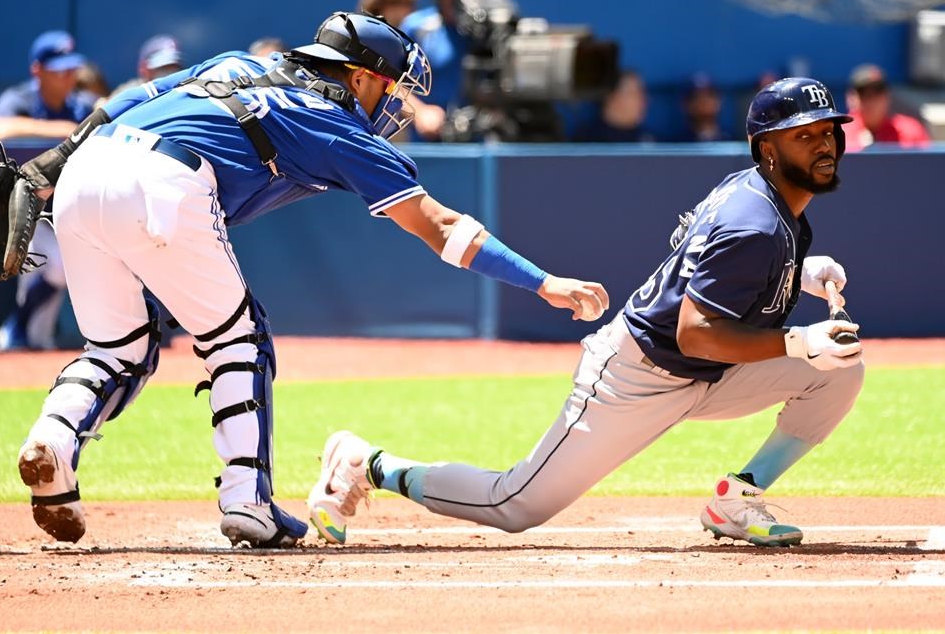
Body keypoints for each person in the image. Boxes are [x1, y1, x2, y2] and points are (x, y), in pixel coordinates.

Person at [13, 12, 608, 548]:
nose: (394, 102)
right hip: (166, 178)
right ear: (359, 77)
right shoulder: (337, 126)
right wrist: (543, 282)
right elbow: (442, 228)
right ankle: (247, 502)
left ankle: (54, 445)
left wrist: (50, 163)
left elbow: (131, 98)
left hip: (84, 171)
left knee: (117, 348)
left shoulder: (242, 62)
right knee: (238, 339)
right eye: (391, 85)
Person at [307, 77, 865, 549]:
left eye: (828, 131)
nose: (824, 144)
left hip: (708, 373)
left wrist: (798, 270)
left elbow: (703, 257)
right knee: (516, 504)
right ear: (768, 149)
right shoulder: (757, 222)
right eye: (804, 135)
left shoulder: (763, 199)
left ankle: (738, 499)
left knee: (840, 368)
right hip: (638, 375)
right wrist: (797, 341)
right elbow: (697, 334)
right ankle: (367, 464)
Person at [0, 31, 98, 351]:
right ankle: (18, 331)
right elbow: (0, 129)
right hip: (25, 208)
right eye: (58, 70)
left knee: (60, 276)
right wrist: (65, 132)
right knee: (52, 270)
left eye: (71, 69)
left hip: (69, 208)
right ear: (37, 70)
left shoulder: (82, 105)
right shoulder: (21, 98)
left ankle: (21, 330)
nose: (67, 77)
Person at [399, 0, 490, 140]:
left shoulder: (491, 32)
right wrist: (420, 112)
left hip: (480, 150)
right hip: (431, 150)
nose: (466, 1)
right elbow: (388, 82)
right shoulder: (418, 28)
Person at [841, 64, 930, 151]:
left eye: (878, 93)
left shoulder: (911, 130)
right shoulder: (839, 132)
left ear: (887, 96)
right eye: (864, 94)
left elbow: (927, 162)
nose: (872, 101)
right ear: (851, 98)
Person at [572, 69, 653, 143]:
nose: (644, 100)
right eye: (635, 93)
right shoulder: (585, 140)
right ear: (612, 96)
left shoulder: (652, 141)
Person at [108, 34, 185, 100]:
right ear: (144, 68)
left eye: (174, 66)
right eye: (163, 67)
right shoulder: (126, 94)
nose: (170, 72)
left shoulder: (190, 87)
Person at [677, 73, 731, 142]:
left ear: (719, 101)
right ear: (685, 104)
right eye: (696, 97)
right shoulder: (677, 143)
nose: (703, 102)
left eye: (709, 96)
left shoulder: (732, 141)